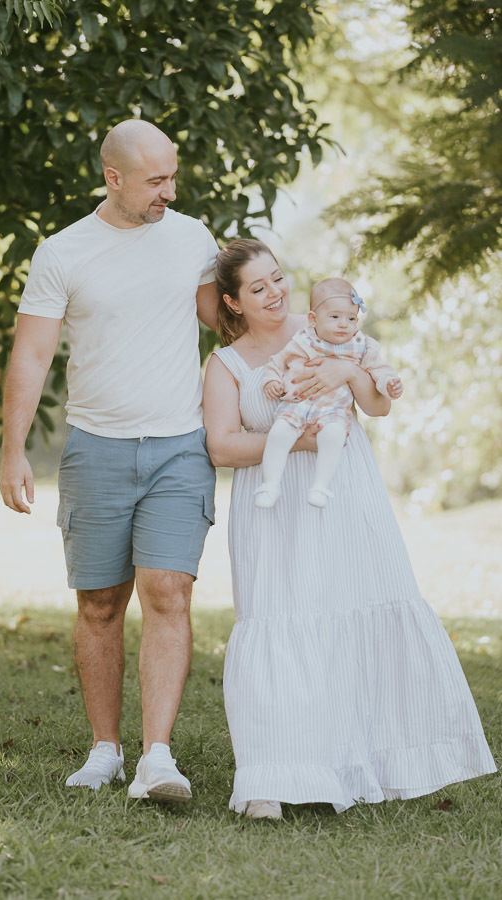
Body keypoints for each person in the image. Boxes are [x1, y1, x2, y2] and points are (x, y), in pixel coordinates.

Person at [202, 238, 496, 820]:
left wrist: (350, 373)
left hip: (346, 500)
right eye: (257, 287)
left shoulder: (332, 331)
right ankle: (270, 776)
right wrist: (303, 441)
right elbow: (222, 446)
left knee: (356, 610)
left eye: (278, 279)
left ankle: (368, 762)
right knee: (280, 622)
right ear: (233, 303)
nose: (274, 293)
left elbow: (379, 407)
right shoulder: (227, 364)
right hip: (274, 513)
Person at [0, 119, 219, 803]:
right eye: (155, 181)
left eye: (172, 176)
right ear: (113, 177)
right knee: (99, 604)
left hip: (181, 445)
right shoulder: (63, 252)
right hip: (96, 447)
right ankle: (106, 749)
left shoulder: (193, 238)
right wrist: (12, 450)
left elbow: (230, 320)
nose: (168, 191)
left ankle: (158, 756)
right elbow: (32, 355)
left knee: (168, 592)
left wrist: (321, 339)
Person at [256, 277, 402, 509]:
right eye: (335, 317)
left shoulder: (362, 345)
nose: (344, 324)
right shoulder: (303, 340)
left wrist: (389, 383)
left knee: (334, 436)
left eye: (351, 318)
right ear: (313, 319)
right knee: (279, 433)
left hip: (333, 410)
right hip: (297, 404)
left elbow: (378, 369)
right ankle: (270, 485)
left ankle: (321, 486)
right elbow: (277, 362)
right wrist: (272, 380)